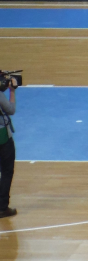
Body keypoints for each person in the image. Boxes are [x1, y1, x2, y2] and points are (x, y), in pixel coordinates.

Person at [0, 74, 17, 219]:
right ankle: (2, 207)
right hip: (2, 137)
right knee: (6, 171)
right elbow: (10, 109)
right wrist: (12, 91)